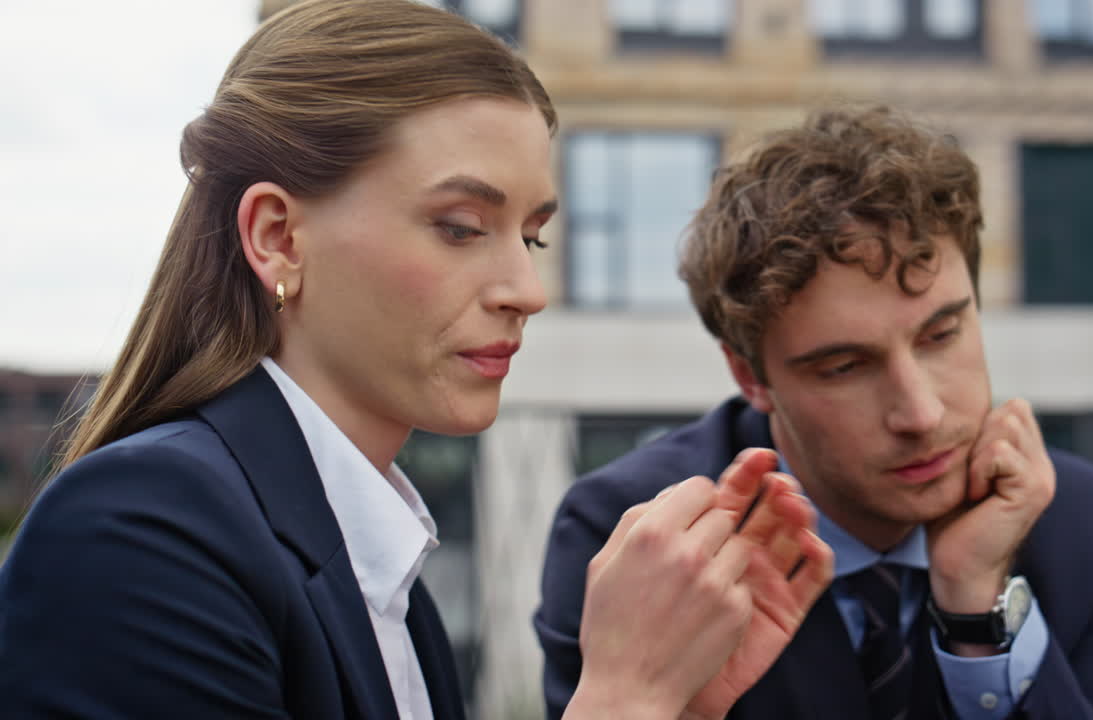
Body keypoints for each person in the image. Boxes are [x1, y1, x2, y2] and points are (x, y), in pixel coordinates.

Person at [0, 1, 834, 718]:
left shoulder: (388, 581)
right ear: (278, 237)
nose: (526, 288)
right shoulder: (141, 533)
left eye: (532, 235)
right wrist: (623, 697)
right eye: (462, 227)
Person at [536, 105, 1093, 719]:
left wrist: (979, 611)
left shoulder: (1079, 518)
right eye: (844, 368)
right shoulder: (639, 542)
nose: (919, 412)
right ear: (751, 376)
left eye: (941, 335)